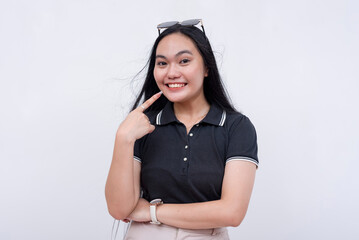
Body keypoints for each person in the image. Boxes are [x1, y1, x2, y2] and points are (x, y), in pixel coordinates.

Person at [105, 19, 259, 240]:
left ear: (207, 67)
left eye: (184, 61)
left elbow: (232, 212)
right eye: (162, 63)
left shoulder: (236, 127)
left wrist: (151, 211)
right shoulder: (143, 125)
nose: (172, 73)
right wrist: (123, 138)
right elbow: (119, 209)